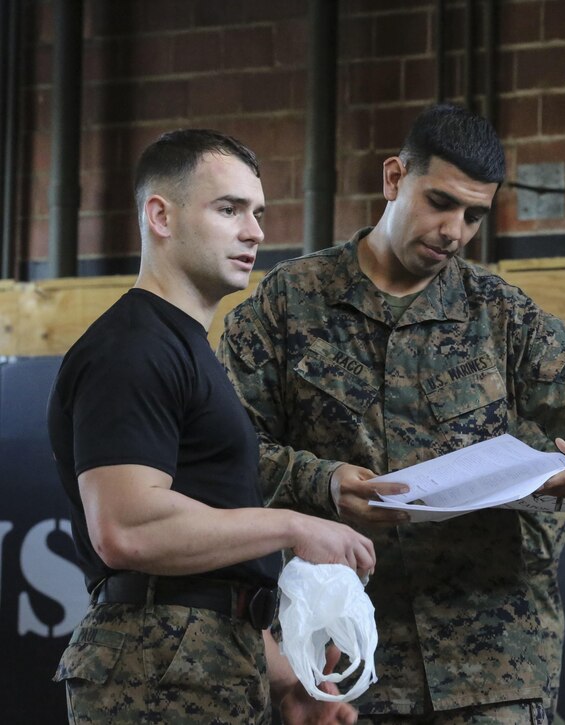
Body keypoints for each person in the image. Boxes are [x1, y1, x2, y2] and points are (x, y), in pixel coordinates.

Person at [217, 104, 565, 722]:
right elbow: (226, 457)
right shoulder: (289, 305)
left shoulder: (501, 316)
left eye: (474, 215)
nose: (455, 230)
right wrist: (317, 481)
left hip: (496, 666)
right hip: (343, 661)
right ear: (394, 178)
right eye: (441, 202)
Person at [48, 129, 375, 725]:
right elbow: (127, 529)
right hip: (154, 671)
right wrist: (296, 527)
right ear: (160, 216)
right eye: (228, 210)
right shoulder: (133, 348)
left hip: (205, 662)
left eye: (258, 214)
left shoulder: (189, 350)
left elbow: (214, 586)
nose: (254, 232)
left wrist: (289, 684)